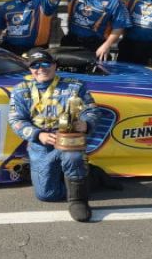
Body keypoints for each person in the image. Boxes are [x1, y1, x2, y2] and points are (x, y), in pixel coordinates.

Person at [8, 48, 100, 222]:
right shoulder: (21, 90)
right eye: (35, 65)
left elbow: (92, 110)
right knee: (46, 194)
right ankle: (93, 177)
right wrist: (38, 135)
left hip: (69, 140)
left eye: (45, 63)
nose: (41, 68)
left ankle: (78, 199)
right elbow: (16, 120)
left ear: (55, 65)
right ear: (30, 69)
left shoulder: (75, 86)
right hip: (41, 144)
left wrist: (85, 123)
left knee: (73, 158)